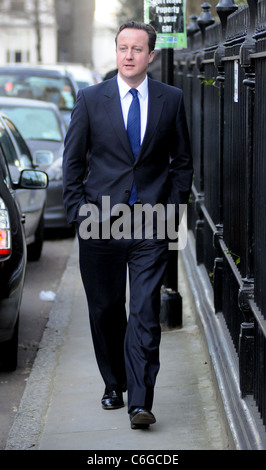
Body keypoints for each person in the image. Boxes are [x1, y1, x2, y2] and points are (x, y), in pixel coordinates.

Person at [62, 21, 193, 430]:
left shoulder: (171, 99)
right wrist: (78, 214)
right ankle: (113, 382)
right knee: (105, 310)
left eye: (138, 49)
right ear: (116, 51)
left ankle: (140, 402)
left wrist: (172, 212)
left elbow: (182, 162)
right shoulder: (89, 99)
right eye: (123, 47)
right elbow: (72, 163)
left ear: (151, 55)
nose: (129, 55)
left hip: (150, 224)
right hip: (99, 222)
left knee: (144, 312)